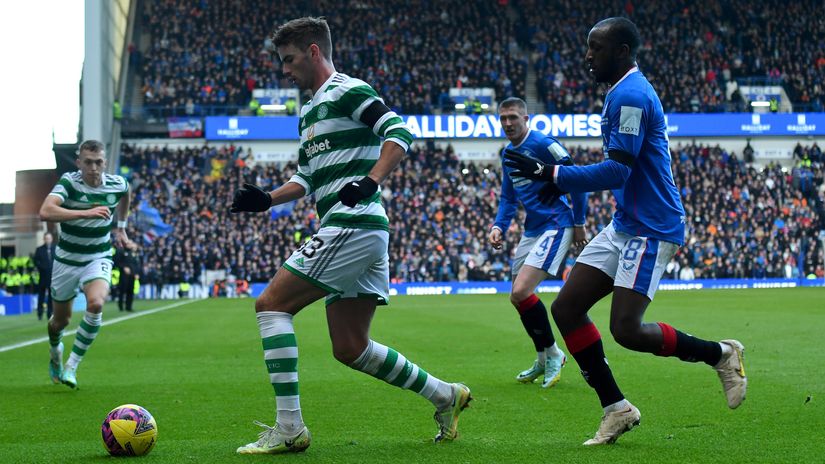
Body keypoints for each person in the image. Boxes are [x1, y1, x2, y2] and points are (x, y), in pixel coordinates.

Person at [229, 17, 471, 455]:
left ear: (314, 52)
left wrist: (371, 180)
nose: (285, 70)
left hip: (352, 224)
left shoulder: (348, 90)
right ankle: (445, 395)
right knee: (350, 346)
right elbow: (307, 177)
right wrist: (267, 199)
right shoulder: (309, 111)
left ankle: (289, 427)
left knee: (270, 305)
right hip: (357, 230)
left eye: (289, 59)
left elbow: (398, 132)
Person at [504, 17, 747, 445]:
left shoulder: (631, 95)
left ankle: (721, 354)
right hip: (625, 224)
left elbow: (618, 170)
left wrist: (551, 173)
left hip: (652, 228)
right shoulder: (620, 92)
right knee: (567, 308)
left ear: (621, 52)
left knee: (627, 330)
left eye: (595, 48)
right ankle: (616, 409)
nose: (587, 56)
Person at [490, 97, 587, 388]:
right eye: (503, 118)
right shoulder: (508, 154)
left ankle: (554, 354)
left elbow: (577, 179)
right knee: (517, 297)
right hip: (532, 229)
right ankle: (543, 357)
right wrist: (499, 225)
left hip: (557, 224)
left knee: (521, 290)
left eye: (513, 117)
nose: (508, 123)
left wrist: (579, 222)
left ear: (526, 118)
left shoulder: (544, 144)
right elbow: (508, 198)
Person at [39, 140, 133, 389]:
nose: (93, 168)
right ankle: (55, 351)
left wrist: (121, 228)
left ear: (105, 163)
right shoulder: (69, 183)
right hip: (67, 260)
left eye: (98, 162)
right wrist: (85, 213)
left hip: (97, 256)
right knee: (60, 322)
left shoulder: (116, 183)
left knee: (96, 303)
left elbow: (126, 192)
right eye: (88, 162)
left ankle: (71, 366)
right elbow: (45, 212)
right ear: (78, 162)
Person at [33, 232, 56, 320]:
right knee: (41, 296)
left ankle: (50, 313)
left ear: (52, 239)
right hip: (42, 276)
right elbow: (35, 261)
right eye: (46, 238)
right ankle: (40, 313)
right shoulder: (39, 249)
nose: (48, 240)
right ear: (44, 239)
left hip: (52, 277)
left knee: (51, 296)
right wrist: (42, 268)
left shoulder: (55, 248)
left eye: (49, 238)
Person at [114, 241, 140, 312]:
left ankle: (129, 307)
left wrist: (136, 273)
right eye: (129, 243)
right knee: (122, 291)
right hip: (123, 275)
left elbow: (136, 264)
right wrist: (123, 267)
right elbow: (116, 262)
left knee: (130, 291)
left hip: (132, 275)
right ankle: (121, 307)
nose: (131, 245)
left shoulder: (133, 253)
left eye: (131, 243)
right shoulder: (120, 251)